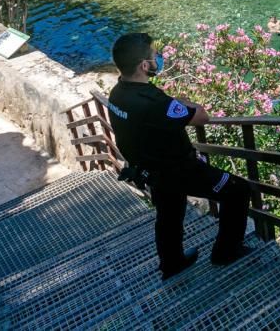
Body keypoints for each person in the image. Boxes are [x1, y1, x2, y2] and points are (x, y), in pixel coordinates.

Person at [107, 33, 252, 280]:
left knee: (169, 216)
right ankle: (225, 252)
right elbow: (201, 116)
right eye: (153, 57)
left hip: (150, 169)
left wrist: (173, 104)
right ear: (144, 66)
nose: (157, 60)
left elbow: (161, 115)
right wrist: (184, 103)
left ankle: (172, 264)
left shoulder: (118, 93)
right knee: (238, 190)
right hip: (178, 170)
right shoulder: (152, 102)